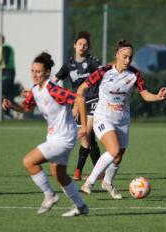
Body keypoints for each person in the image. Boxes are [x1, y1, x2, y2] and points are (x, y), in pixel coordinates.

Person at [78, 40, 166, 199]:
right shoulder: (103, 71)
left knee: (118, 156)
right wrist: (78, 101)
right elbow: (83, 87)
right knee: (113, 150)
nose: (127, 61)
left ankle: (107, 182)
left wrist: (157, 96)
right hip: (103, 116)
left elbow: (145, 95)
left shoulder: (135, 74)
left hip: (122, 120)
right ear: (117, 54)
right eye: (124, 57)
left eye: (130, 58)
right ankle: (89, 183)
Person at [2, 52, 88, 216]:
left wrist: (83, 127)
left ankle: (50, 196)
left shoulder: (54, 90)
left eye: (38, 71)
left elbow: (80, 99)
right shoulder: (35, 90)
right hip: (55, 137)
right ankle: (81, 206)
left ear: (47, 72)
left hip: (63, 139)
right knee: (59, 175)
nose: (35, 74)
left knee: (29, 161)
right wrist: (12, 106)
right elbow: (26, 108)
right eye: (32, 71)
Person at [54, 31, 101, 180]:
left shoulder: (93, 61)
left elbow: (104, 73)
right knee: (87, 140)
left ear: (88, 48)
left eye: (85, 44)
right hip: (78, 103)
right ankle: (96, 172)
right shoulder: (69, 64)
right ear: (75, 45)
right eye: (80, 43)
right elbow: (55, 80)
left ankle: (79, 171)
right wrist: (37, 88)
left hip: (93, 100)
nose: (83, 46)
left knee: (87, 133)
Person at [0, 34, 16, 118]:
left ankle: (6, 113)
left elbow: (4, 62)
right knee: (7, 93)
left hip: (7, 73)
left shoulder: (4, 47)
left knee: (4, 93)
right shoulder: (7, 47)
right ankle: (6, 113)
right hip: (9, 73)